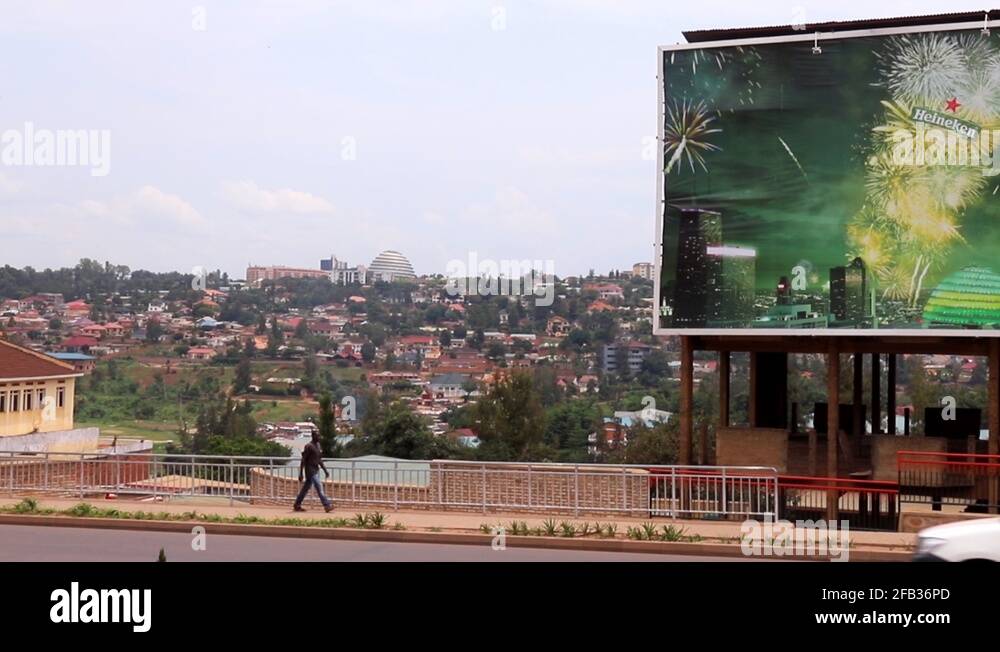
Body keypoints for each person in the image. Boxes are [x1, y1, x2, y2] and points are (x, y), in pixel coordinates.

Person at [293, 430, 333, 512]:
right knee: (319, 487)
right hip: (310, 470)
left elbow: (319, 459)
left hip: (316, 469)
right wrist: (301, 473)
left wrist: (325, 470)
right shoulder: (308, 446)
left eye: (319, 436)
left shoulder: (318, 445)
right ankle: (327, 505)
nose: (319, 437)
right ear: (313, 436)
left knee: (305, 488)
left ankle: (297, 504)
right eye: (317, 436)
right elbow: (303, 460)